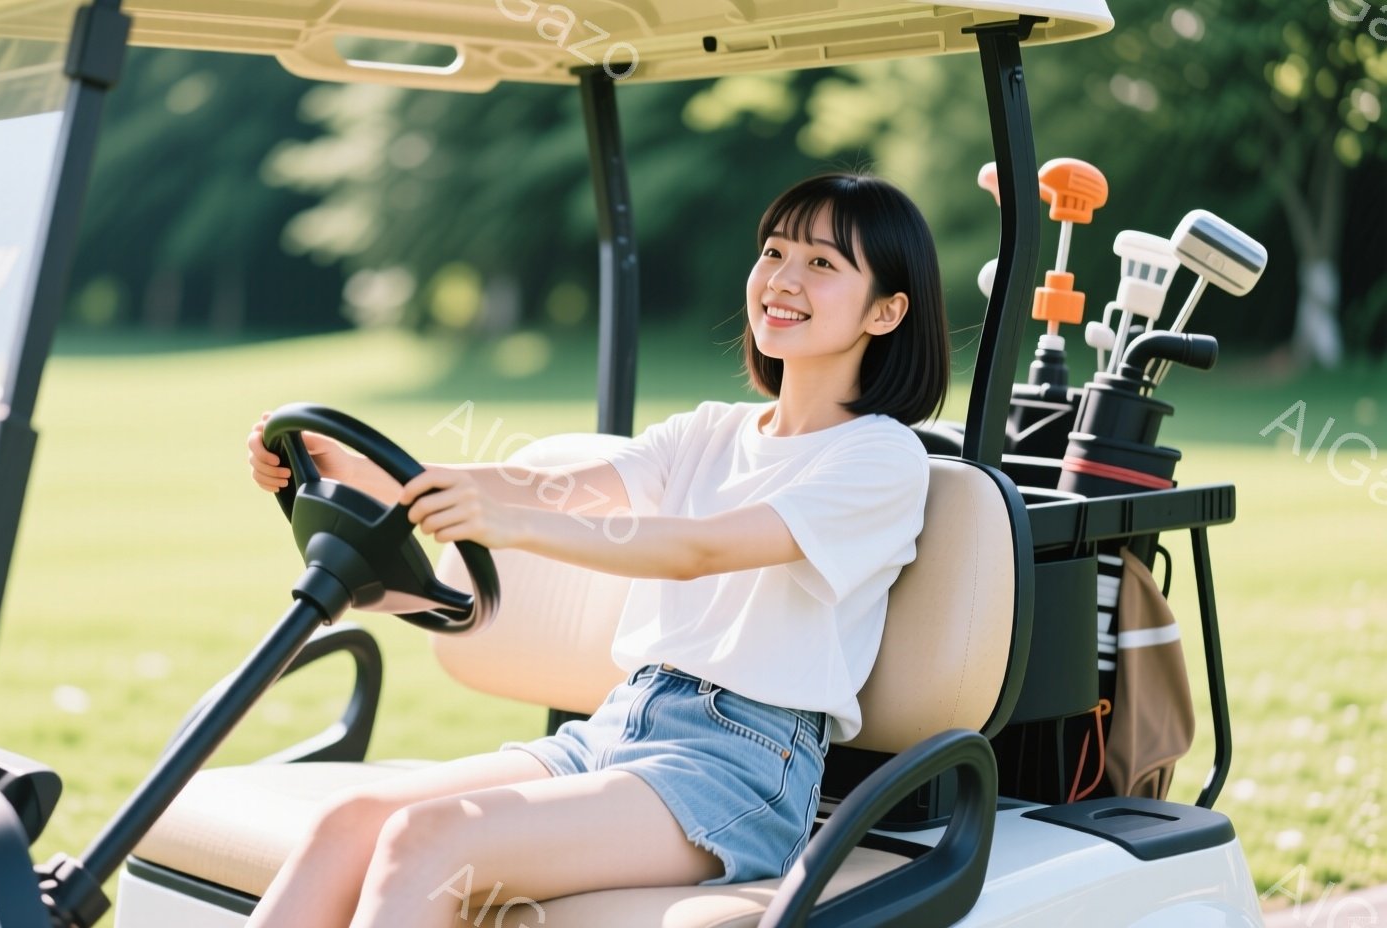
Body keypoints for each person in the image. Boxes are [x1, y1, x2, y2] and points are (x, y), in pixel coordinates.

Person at [241, 172, 948, 928]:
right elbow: (545, 486)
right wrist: (356, 469)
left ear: (886, 310)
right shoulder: (708, 430)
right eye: (774, 251)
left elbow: (701, 549)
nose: (781, 277)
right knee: (346, 824)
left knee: (431, 839)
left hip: (741, 766)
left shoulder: (881, 457)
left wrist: (511, 530)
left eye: (821, 264)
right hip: (618, 725)